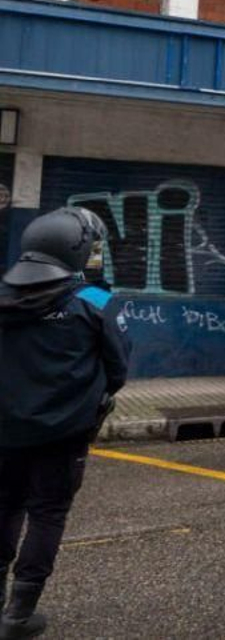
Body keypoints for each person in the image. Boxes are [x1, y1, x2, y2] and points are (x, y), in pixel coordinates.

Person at [0, 207, 128, 639]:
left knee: (5, 506)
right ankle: (19, 613)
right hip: (64, 432)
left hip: (5, 430)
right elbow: (118, 370)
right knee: (48, 513)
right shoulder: (94, 302)